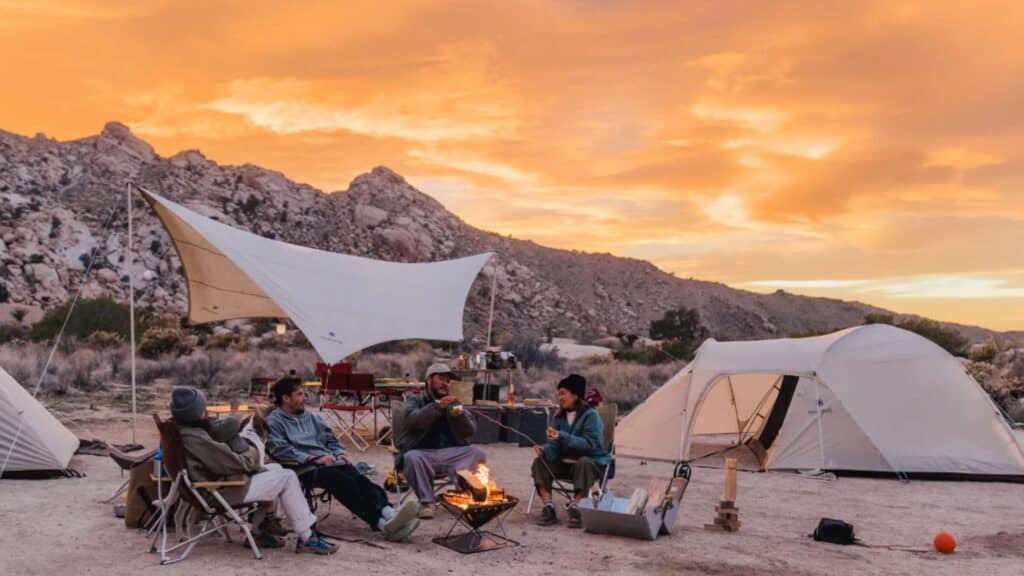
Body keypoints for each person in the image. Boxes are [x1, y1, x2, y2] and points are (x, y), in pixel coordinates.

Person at [169, 387, 336, 555]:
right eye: (202, 409)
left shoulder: (184, 431)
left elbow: (225, 462)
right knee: (288, 476)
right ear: (194, 413)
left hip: (217, 485)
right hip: (222, 491)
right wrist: (250, 450)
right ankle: (307, 537)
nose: (206, 412)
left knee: (276, 468)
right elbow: (240, 463)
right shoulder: (196, 439)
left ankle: (260, 531)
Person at [265, 378, 420, 541]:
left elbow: (330, 438)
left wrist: (339, 453)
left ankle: (389, 514)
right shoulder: (275, 421)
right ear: (286, 398)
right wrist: (313, 458)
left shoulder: (311, 418)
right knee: (344, 483)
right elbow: (279, 448)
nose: (305, 398)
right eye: (299, 394)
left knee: (358, 477)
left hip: (329, 461)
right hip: (304, 468)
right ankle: (381, 522)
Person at [396, 363, 487, 519]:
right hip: (423, 453)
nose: (445, 383)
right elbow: (412, 421)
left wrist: (460, 417)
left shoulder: (454, 402)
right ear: (429, 380)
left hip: (451, 454)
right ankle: (427, 503)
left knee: (477, 453)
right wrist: (436, 407)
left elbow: (470, 431)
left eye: (447, 380)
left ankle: (463, 491)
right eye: (441, 379)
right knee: (411, 458)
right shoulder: (415, 400)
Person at [531, 374, 610, 528]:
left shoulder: (591, 416)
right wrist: (546, 450)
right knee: (539, 462)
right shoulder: (559, 417)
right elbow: (553, 447)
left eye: (563, 394)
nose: (560, 398)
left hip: (591, 464)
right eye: (559, 394)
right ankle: (548, 506)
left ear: (575, 395)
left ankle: (577, 507)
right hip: (566, 464)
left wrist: (562, 436)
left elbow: (591, 444)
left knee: (584, 463)